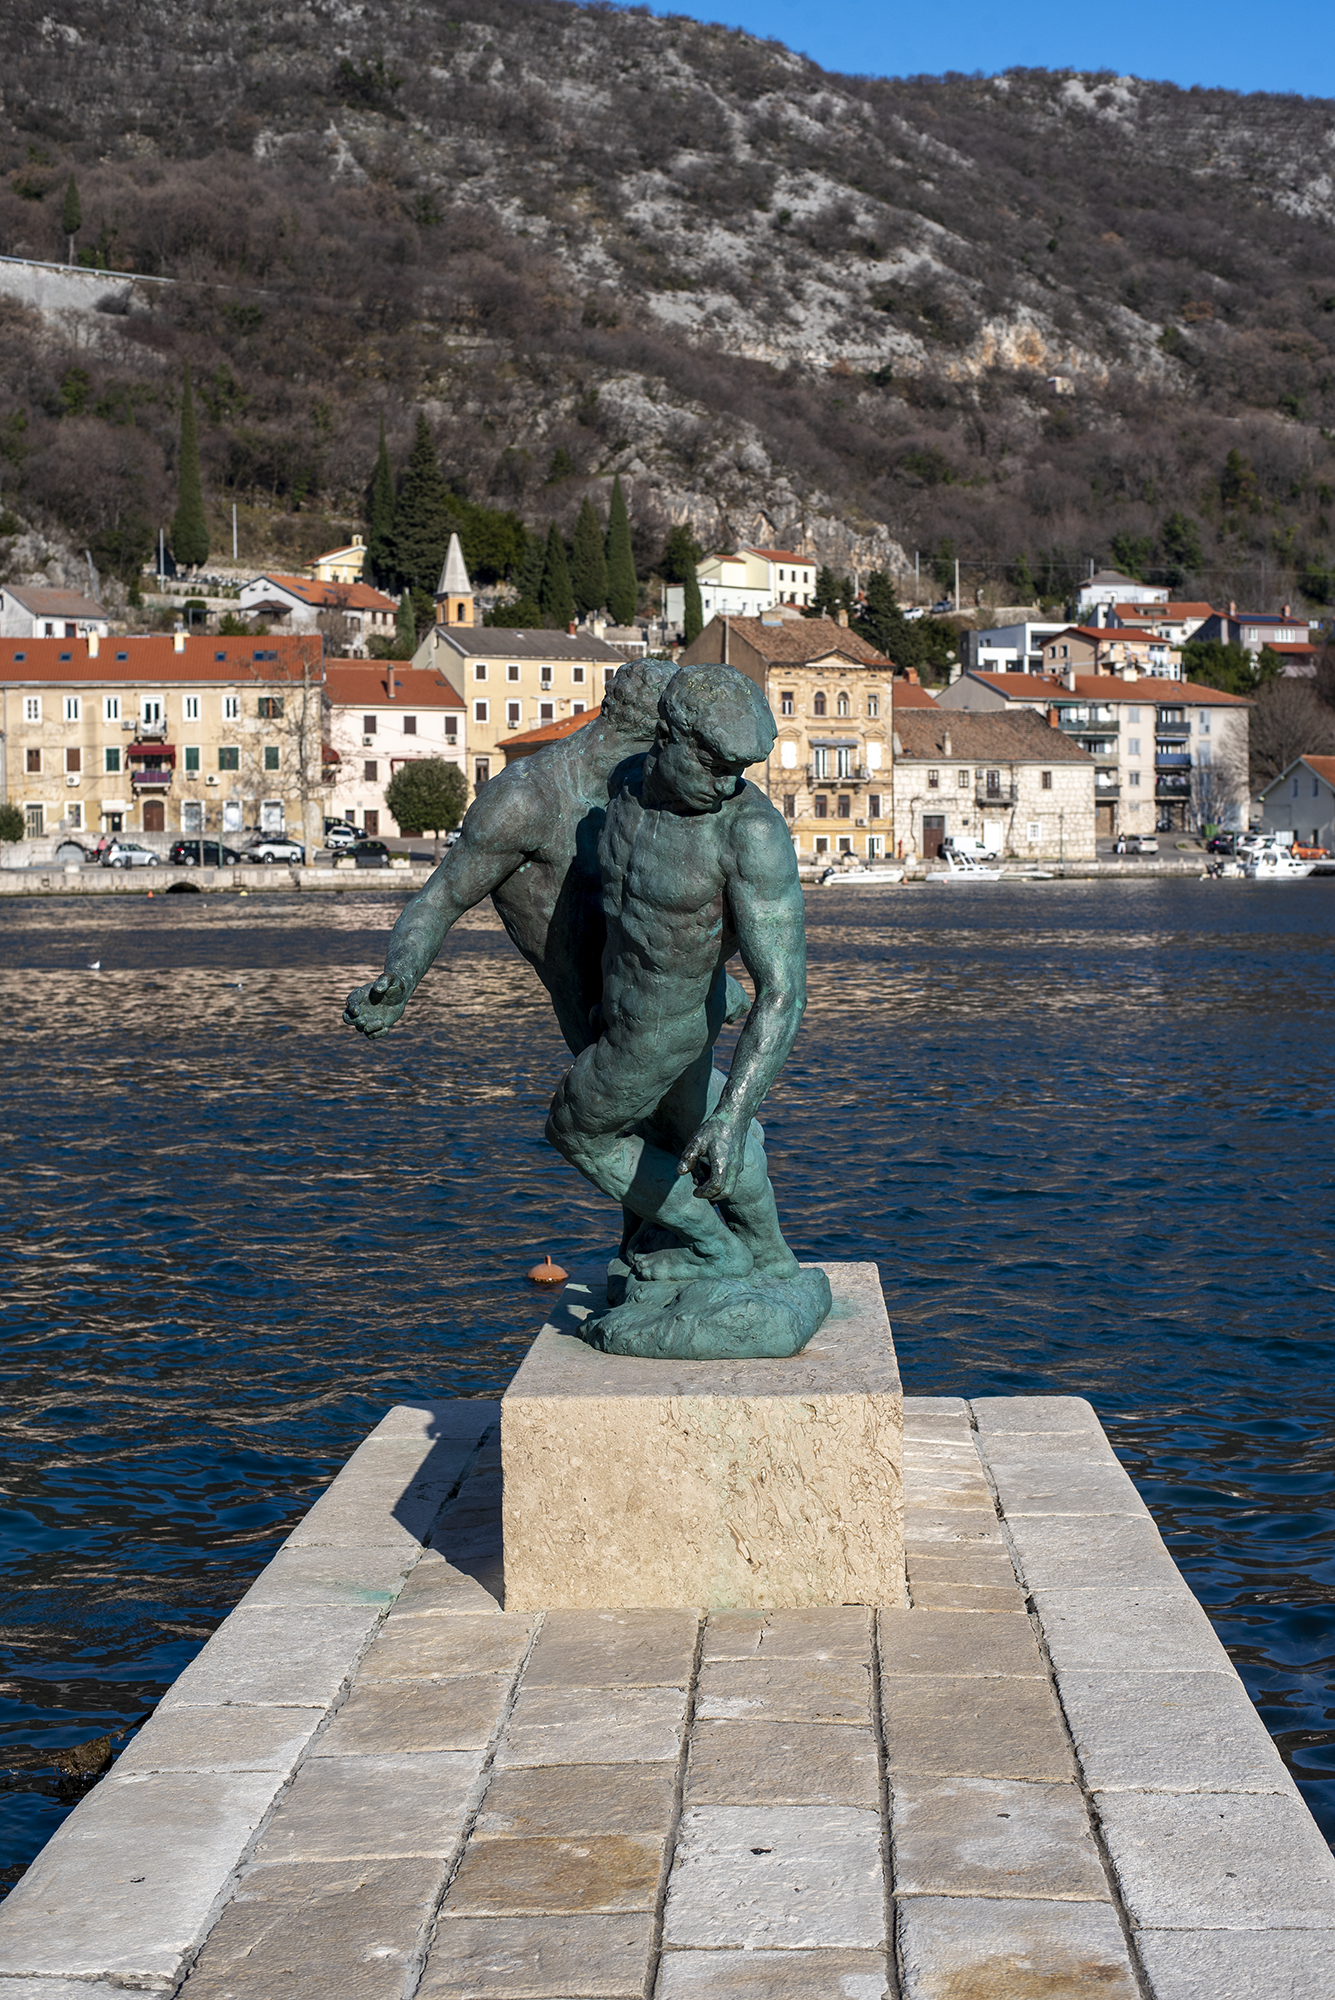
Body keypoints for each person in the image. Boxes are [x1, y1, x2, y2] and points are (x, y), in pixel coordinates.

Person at [546, 663, 808, 1290]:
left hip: (664, 1030)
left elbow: (784, 989)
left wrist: (736, 1113)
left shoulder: (750, 834)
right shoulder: (624, 789)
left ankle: (712, 1246)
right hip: (622, 1014)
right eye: (716, 765)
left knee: (575, 1130)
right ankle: (770, 1253)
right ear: (666, 738)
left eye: (741, 771)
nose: (727, 786)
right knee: (692, 1132)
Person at [343, 659, 675, 1054]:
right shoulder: (523, 801)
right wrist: (400, 977)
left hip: (663, 1008)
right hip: (606, 1036)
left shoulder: (641, 791)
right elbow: (438, 901)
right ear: (661, 737)